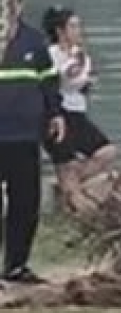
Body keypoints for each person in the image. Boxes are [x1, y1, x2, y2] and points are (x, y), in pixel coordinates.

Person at [0, 14, 63, 286]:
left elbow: (48, 80)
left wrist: (55, 113)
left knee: (25, 202)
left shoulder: (33, 40)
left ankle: (16, 265)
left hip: (24, 136)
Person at [39, 7, 114, 213]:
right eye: (73, 26)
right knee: (66, 163)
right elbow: (55, 80)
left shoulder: (81, 55)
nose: (78, 30)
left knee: (105, 151)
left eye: (78, 26)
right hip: (57, 114)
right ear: (60, 31)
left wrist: (87, 81)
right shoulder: (50, 55)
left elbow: (80, 82)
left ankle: (69, 187)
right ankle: (71, 198)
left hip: (77, 112)